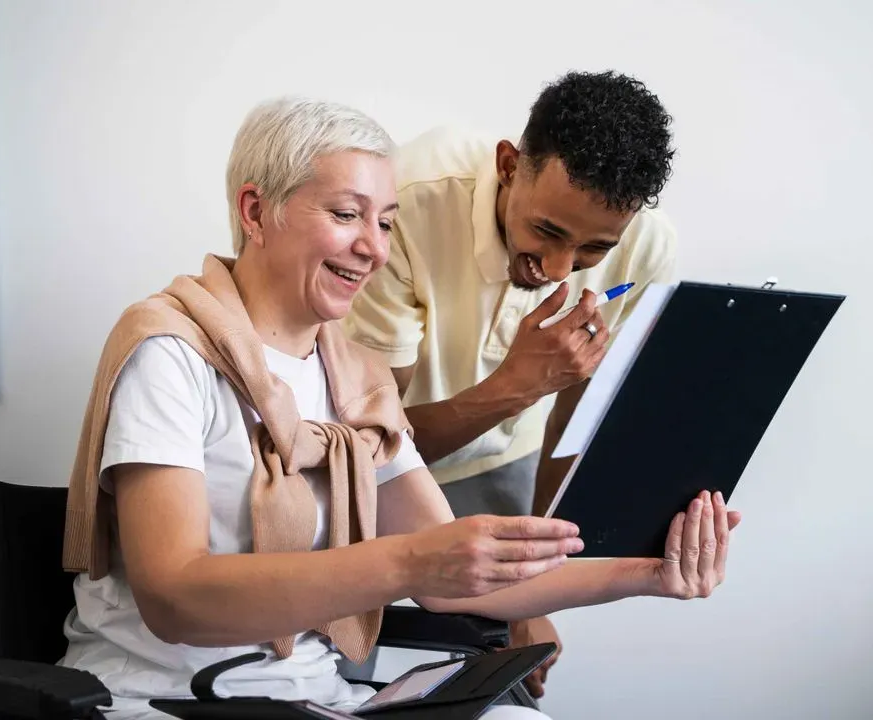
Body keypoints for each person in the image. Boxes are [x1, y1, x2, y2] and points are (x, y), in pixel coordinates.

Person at [57, 96, 739, 720]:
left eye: (385, 223)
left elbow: (460, 586)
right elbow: (174, 596)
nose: (376, 249)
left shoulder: (356, 380)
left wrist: (650, 574)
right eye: (347, 215)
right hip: (156, 697)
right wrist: (408, 562)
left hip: (314, 697)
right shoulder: (168, 354)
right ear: (255, 211)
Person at [343, 70, 681, 696]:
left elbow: (577, 419)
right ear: (507, 165)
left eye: (591, 251)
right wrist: (520, 384)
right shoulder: (408, 201)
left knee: (508, 672)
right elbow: (367, 447)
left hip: (506, 463)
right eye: (547, 231)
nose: (558, 270)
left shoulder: (647, 251)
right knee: (341, 663)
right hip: (382, 463)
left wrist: (536, 582)